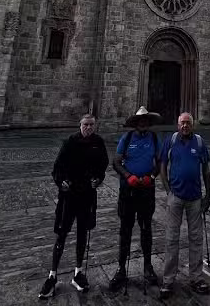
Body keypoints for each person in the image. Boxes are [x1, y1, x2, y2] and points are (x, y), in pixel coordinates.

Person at [38, 114, 109, 299]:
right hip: (69, 197)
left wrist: (98, 179)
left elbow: (103, 165)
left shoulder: (98, 142)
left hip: (87, 195)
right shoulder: (70, 142)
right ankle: (52, 275)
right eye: (85, 125)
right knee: (61, 233)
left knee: (82, 233)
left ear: (95, 126)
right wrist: (61, 181)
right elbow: (57, 167)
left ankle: (78, 272)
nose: (88, 128)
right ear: (80, 125)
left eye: (91, 125)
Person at [159, 112, 210, 298]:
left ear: (193, 124)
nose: (185, 126)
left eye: (188, 123)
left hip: (195, 197)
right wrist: (168, 189)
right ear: (177, 124)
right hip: (176, 196)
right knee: (172, 238)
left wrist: (208, 195)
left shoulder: (199, 142)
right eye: (182, 123)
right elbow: (162, 165)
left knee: (196, 238)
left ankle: (196, 278)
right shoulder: (171, 140)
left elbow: (205, 170)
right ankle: (168, 280)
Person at [109, 106, 162, 291]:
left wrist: (152, 177)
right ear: (136, 123)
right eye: (140, 120)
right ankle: (121, 269)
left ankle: (148, 267)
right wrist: (127, 176)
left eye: (146, 120)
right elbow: (116, 161)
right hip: (128, 192)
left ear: (148, 122)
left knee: (146, 229)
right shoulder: (127, 138)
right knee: (125, 230)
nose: (143, 123)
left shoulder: (154, 138)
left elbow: (159, 162)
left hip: (146, 191)